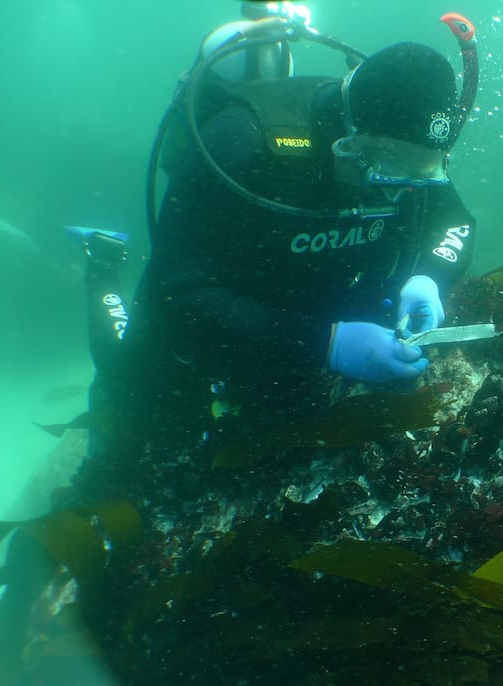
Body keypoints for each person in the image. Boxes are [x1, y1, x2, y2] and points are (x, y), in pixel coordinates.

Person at [89, 3, 479, 461]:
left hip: (304, 318)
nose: (401, 188)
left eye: (423, 172)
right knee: (127, 385)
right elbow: (175, 295)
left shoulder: (408, 146)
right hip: (221, 323)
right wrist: (326, 343)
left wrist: (429, 277)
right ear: (350, 138)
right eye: (389, 167)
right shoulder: (241, 140)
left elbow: (455, 222)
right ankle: (100, 267)